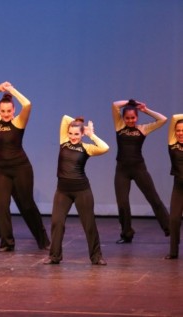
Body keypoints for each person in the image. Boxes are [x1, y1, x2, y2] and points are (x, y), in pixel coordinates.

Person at [0, 82, 49, 252]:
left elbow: (28, 104)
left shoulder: (19, 122)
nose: (5, 114)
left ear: (14, 110)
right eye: (2, 111)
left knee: (26, 205)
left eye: (9, 111)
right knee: (1, 205)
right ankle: (7, 242)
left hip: (20, 168)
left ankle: (43, 240)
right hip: (1, 169)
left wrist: (12, 90)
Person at [44, 116, 109, 265]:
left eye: (77, 134)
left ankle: (96, 256)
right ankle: (54, 256)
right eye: (71, 133)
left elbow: (105, 148)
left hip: (81, 191)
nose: (73, 137)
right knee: (57, 222)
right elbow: (65, 118)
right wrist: (79, 124)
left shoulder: (87, 148)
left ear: (81, 135)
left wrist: (90, 134)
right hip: (62, 191)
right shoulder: (63, 142)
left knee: (89, 224)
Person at [112, 99, 169, 244]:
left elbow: (163, 119)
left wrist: (145, 110)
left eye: (133, 118)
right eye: (128, 118)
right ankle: (127, 234)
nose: (130, 120)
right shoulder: (119, 126)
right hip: (122, 171)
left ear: (137, 117)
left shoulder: (143, 129)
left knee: (154, 199)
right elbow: (115, 105)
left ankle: (170, 229)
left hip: (139, 168)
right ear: (123, 118)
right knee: (122, 203)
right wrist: (132, 102)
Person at [165, 114, 183, 260]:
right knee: (174, 219)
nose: (180, 133)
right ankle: (173, 251)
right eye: (178, 130)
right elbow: (174, 117)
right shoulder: (173, 143)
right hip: (179, 186)